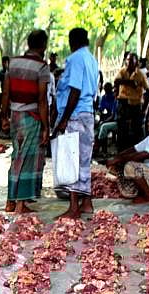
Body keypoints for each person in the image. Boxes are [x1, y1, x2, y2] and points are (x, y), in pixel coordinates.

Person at [0, 29, 50, 214]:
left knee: (17, 155)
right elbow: (42, 99)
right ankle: (21, 203)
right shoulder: (42, 67)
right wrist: (46, 126)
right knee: (28, 158)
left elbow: (5, 92)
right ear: (43, 45)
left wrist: (3, 116)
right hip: (31, 116)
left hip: (15, 116)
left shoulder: (13, 63)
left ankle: (10, 201)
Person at [52, 28, 99, 218]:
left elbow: (75, 90)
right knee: (84, 160)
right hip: (87, 113)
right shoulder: (91, 59)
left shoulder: (75, 59)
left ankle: (73, 208)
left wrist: (63, 120)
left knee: (72, 159)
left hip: (76, 114)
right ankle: (86, 202)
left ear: (72, 42)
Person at [114, 52, 149, 149]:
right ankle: (121, 152)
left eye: (131, 60)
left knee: (136, 130)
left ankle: (134, 152)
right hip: (123, 103)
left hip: (136, 105)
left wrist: (145, 108)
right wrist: (130, 82)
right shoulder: (122, 72)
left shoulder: (141, 74)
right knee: (121, 129)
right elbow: (116, 81)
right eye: (128, 60)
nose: (129, 62)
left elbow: (148, 91)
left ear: (136, 62)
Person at [96, 83, 118, 155]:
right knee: (97, 126)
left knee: (103, 126)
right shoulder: (104, 97)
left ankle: (102, 149)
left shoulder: (115, 99)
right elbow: (101, 109)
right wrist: (98, 115)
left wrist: (104, 121)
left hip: (114, 119)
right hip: (108, 116)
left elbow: (113, 115)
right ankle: (99, 148)